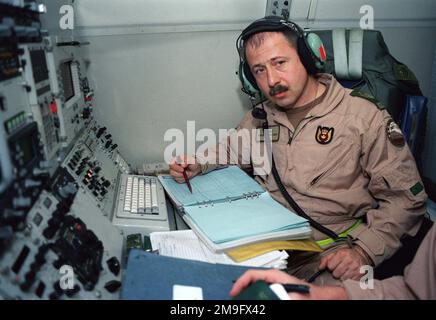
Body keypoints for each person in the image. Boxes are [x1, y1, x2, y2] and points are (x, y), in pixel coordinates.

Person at [169, 17, 427, 285]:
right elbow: (232, 147)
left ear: (307, 57)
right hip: (267, 247)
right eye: (259, 70)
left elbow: (407, 201)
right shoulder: (261, 115)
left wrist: (362, 252)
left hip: (329, 251)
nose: (272, 80)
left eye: (280, 63)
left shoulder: (363, 117)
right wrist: (197, 163)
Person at [229, 224, 436, 299]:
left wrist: (364, 251)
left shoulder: (367, 125)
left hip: (335, 247)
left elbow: (406, 200)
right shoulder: (263, 123)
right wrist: (321, 296)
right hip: (275, 241)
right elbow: (415, 292)